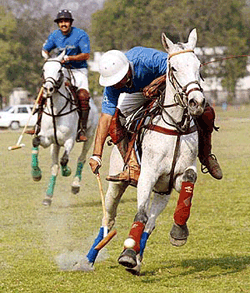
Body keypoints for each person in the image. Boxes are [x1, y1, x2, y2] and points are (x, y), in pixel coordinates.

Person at [89, 47, 223, 186]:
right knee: (114, 121)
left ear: (127, 70)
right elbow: (105, 118)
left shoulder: (147, 59)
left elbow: (176, 69)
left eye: (118, 80)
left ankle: (206, 155)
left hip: (168, 85)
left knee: (207, 113)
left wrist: (157, 83)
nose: (116, 85)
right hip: (138, 93)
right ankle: (132, 167)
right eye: (113, 82)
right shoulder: (112, 86)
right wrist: (96, 155)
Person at [27, 9, 91, 142]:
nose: (63, 24)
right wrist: (46, 55)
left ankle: (81, 129)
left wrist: (69, 58)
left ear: (70, 22)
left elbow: (86, 55)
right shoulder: (55, 35)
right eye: (61, 22)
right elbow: (46, 49)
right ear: (58, 24)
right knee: (46, 90)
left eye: (66, 21)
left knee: (83, 96)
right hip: (61, 70)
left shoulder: (80, 35)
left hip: (79, 70)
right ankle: (38, 125)